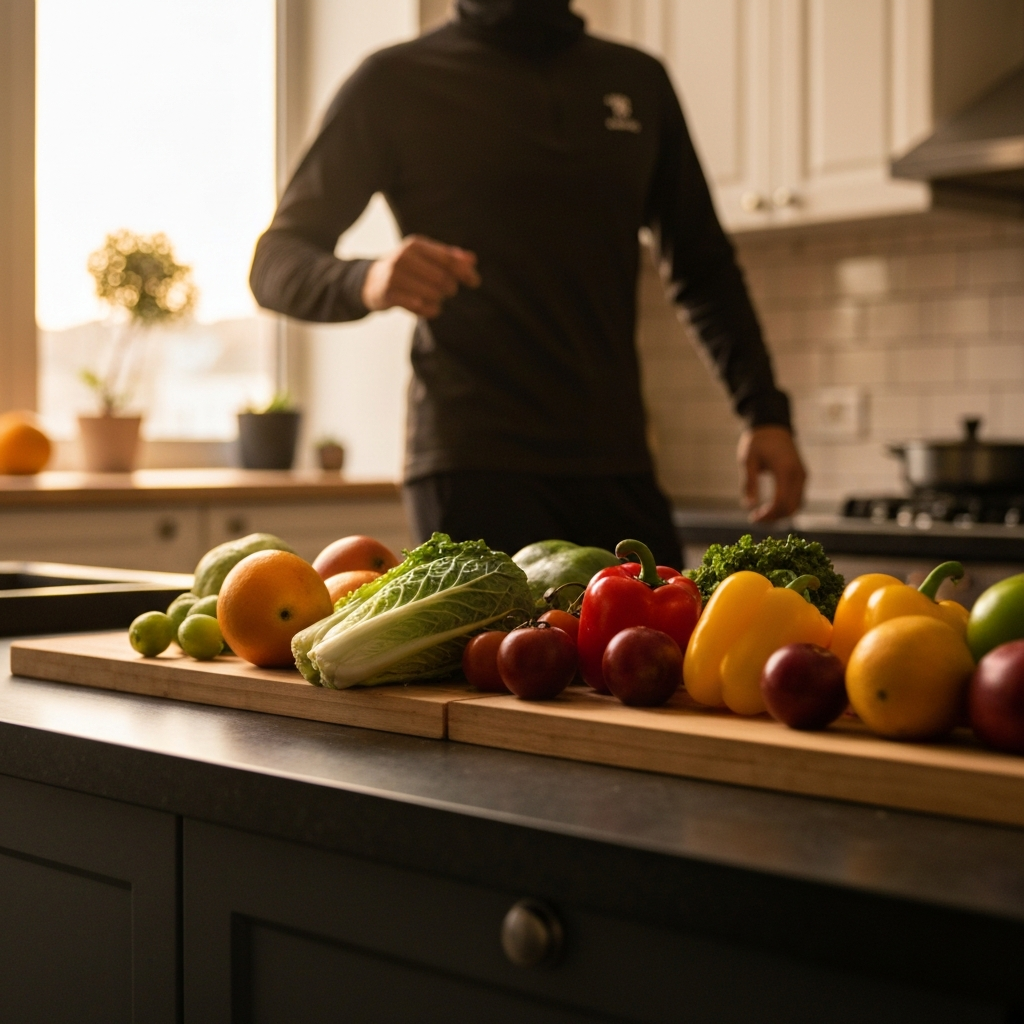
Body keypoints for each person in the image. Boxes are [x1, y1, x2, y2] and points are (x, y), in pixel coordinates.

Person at [250, 0, 806, 567]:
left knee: (661, 652)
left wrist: (764, 412)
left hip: (617, 462)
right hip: (472, 469)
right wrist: (368, 279)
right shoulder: (393, 83)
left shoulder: (638, 81)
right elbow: (274, 263)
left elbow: (703, 266)